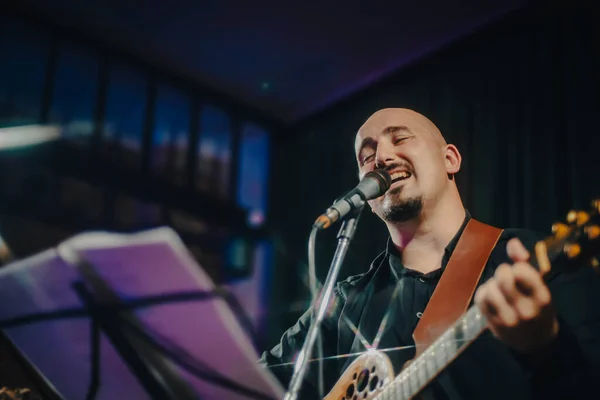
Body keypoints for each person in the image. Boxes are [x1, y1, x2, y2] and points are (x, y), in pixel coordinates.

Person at [259, 108, 600, 399]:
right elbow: (250, 383)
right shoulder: (344, 303)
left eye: (401, 138)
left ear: (450, 158)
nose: (382, 157)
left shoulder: (533, 260)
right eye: (366, 156)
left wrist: (544, 349)